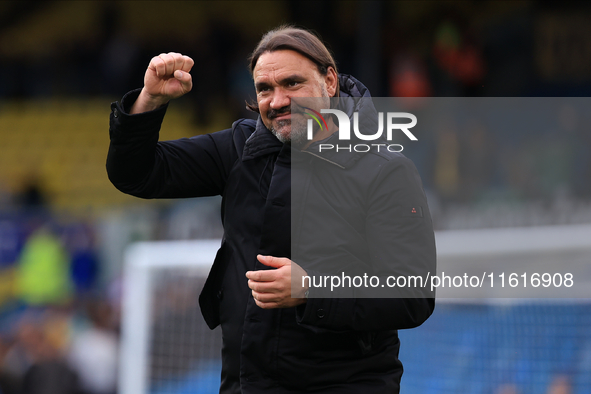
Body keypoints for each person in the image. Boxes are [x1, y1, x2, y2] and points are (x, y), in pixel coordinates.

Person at [107, 25, 436, 394]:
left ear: (329, 81)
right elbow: (135, 175)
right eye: (265, 88)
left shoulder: (385, 168)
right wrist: (150, 100)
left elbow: (412, 294)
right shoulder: (238, 149)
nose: (277, 100)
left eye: (292, 83)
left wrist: (314, 289)